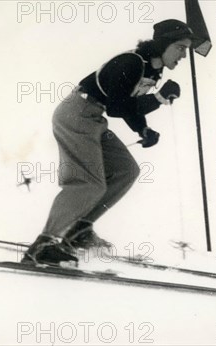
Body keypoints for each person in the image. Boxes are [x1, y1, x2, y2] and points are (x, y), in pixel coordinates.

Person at [22, 19, 198, 266]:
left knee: (126, 170)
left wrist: (143, 128)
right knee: (88, 184)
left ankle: (78, 231)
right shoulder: (132, 62)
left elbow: (128, 105)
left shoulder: (153, 69)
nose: (183, 55)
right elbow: (117, 106)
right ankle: (44, 245)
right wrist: (158, 99)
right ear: (164, 44)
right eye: (180, 47)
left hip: (93, 117)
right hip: (77, 113)